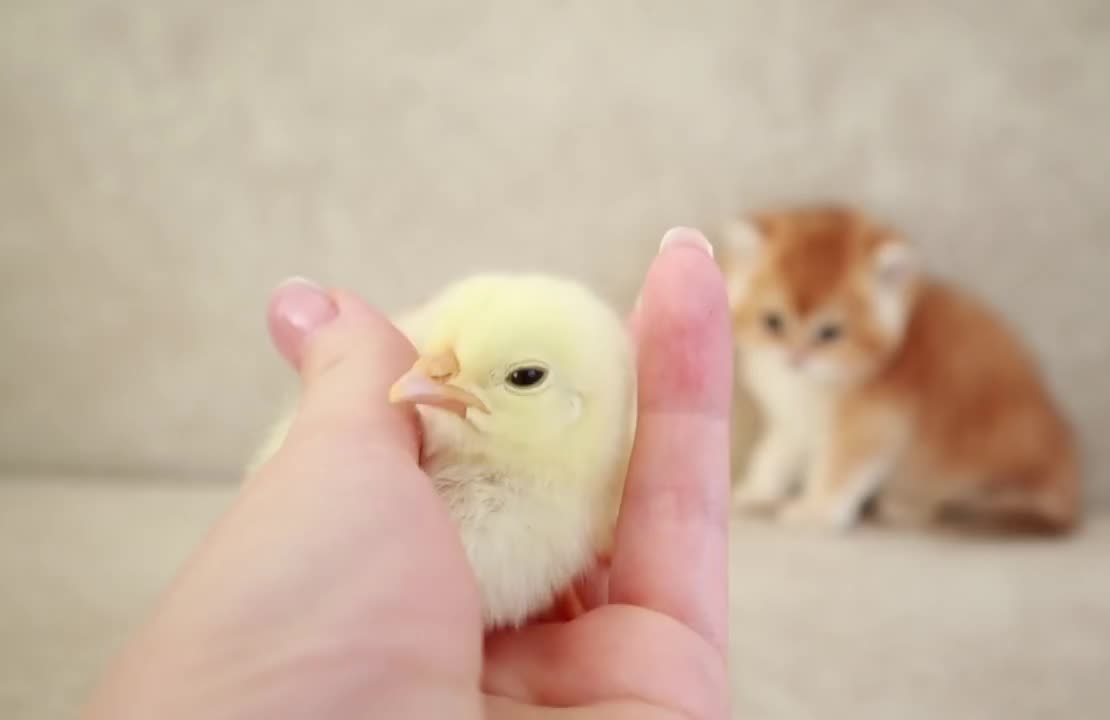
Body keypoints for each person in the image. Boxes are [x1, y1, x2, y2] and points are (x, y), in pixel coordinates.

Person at [82, 229, 733, 719]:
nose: (432, 375)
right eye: (438, 353)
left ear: (580, 406)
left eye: (522, 377)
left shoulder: (576, 503)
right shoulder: (403, 460)